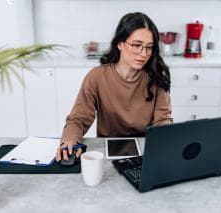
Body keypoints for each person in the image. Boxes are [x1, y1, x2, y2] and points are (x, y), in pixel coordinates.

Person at [56, 12, 173, 162]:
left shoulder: (157, 77)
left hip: (146, 153)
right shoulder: (97, 77)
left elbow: (162, 120)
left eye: (149, 47)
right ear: (120, 44)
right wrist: (70, 139)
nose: (143, 53)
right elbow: (78, 119)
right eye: (137, 45)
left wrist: (165, 140)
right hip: (106, 153)